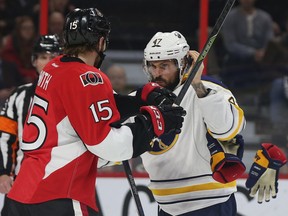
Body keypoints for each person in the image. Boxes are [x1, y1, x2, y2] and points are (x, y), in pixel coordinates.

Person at [5, 8, 185, 216]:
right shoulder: (88, 77)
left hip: (20, 196)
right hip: (57, 195)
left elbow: (89, 107)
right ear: (100, 42)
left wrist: (140, 98)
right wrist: (155, 123)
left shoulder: (54, 68)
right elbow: (107, 146)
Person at [137, 31, 246, 216]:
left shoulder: (209, 88)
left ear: (183, 64)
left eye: (164, 65)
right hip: (166, 207)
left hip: (210, 202)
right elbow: (115, 146)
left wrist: (198, 87)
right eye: (153, 66)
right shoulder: (142, 99)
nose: (157, 73)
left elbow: (227, 130)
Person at [0, 34, 61, 215]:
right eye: (43, 57)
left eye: (53, 57)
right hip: (22, 184)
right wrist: (4, 172)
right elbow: (6, 136)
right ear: (34, 61)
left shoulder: (74, 95)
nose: (48, 62)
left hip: (60, 185)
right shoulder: (18, 96)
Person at [221, 0, 274, 92]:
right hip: (236, 57)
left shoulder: (265, 18)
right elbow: (230, 44)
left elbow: (270, 41)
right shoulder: (230, 17)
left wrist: (264, 53)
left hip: (263, 57)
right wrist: (252, 53)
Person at [0, 35, 24, 108]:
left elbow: (21, 85)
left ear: (1, 48)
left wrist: (13, 91)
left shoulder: (11, 66)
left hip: (10, 107)